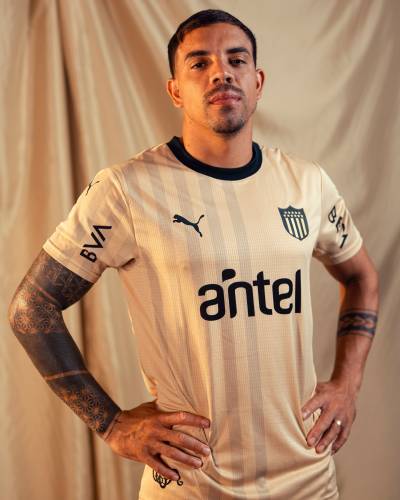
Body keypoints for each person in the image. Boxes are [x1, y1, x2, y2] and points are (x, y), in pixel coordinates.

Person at [8, 8, 379, 500]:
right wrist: (111, 424)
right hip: (192, 484)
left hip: (309, 480)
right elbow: (31, 307)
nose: (221, 72)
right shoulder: (126, 190)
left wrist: (347, 385)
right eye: (199, 63)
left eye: (236, 60)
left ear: (257, 82)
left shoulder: (307, 184)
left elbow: (361, 277)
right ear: (176, 91)